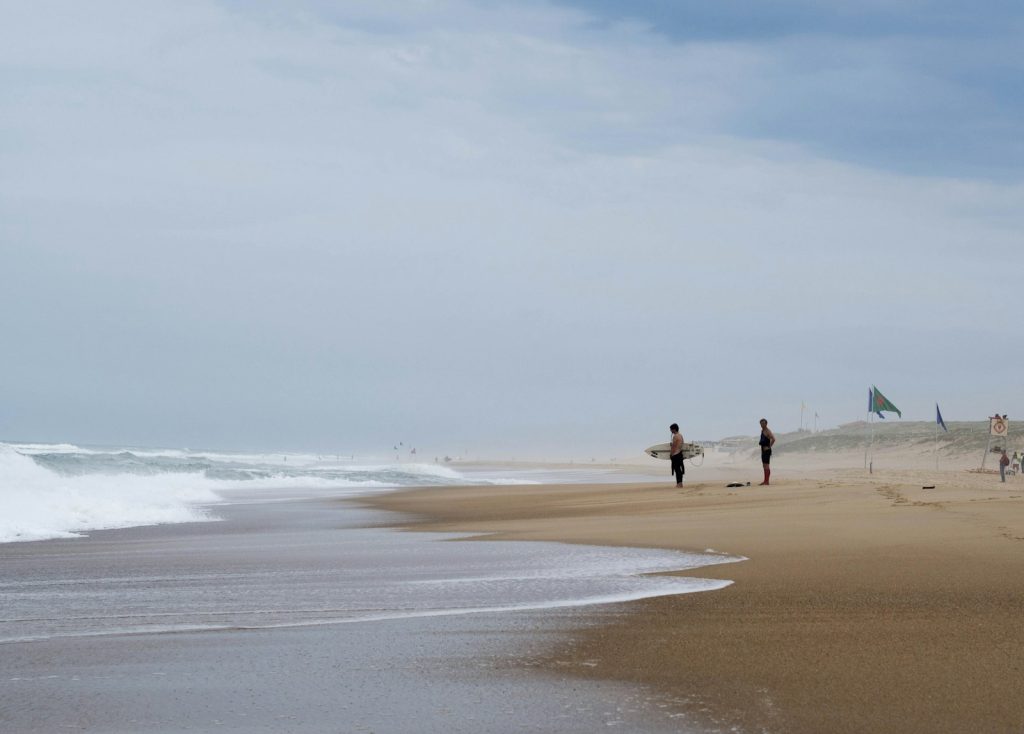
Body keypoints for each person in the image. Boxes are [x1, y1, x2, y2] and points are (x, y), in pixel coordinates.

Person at [758, 418, 776, 486]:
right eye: (761, 423)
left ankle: (767, 481)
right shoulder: (762, 431)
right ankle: (765, 481)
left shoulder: (768, 431)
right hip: (763, 450)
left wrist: (769, 447)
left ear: (766, 424)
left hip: (767, 450)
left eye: (763, 423)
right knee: (764, 466)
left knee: (766, 466)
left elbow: (773, 439)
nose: (762, 425)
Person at [669, 423, 685, 487]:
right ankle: (680, 483)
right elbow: (681, 444)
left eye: (671, 429)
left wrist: (671, 454)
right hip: (680, 454)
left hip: (676, 455)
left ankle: (679, 484)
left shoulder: (675, 436)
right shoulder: (680, 435)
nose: (670, 431)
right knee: (679, 469)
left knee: (677, 469)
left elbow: (673, 447)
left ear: (674, 429)